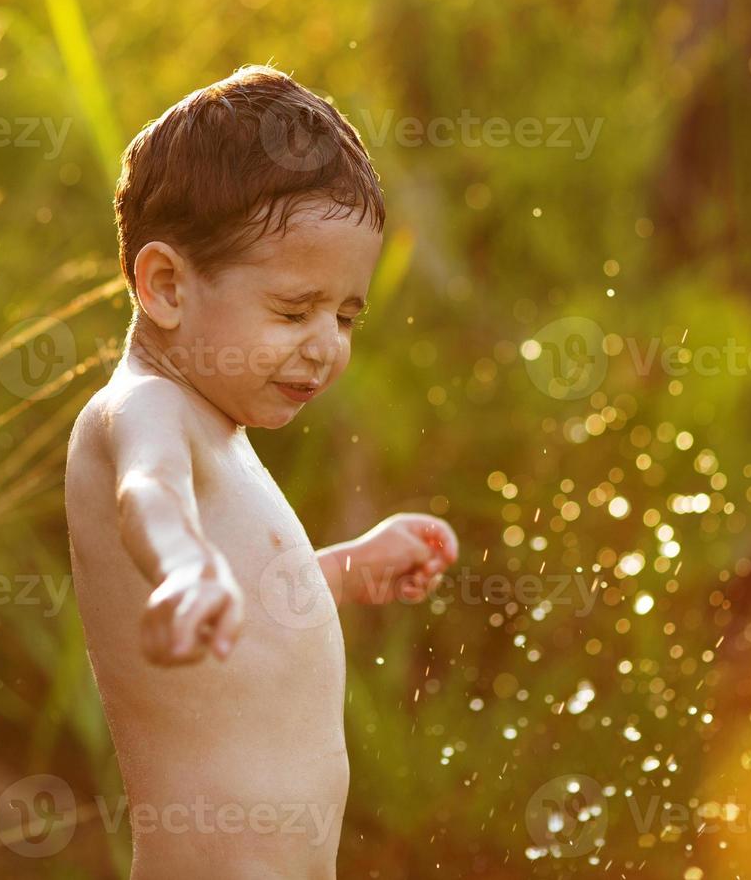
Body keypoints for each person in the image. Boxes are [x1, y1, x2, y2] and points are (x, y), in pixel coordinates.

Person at [66, 65, 459, 878]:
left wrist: (346, 569)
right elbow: (150, 492)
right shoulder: (145, 410)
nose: (327, 345)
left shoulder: (219, 428)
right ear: (167, 286)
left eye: (346, 316)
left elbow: (248, 621)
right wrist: (181, 567)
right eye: (293, 311)